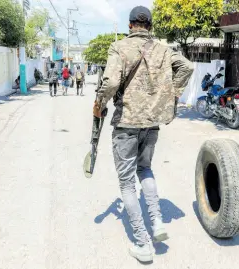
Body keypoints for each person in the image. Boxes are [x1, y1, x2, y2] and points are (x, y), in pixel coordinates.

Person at [93, 6, 194, 263]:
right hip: (151, 123)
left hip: (127, 123)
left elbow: (112, 82)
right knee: (145, 170)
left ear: (130, 26)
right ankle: (157, 223)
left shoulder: (119, 47)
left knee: (127, 182)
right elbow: (187, 67)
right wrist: (171, 94)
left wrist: (100, 102)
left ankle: (143, 242)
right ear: (150, 25)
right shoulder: (163, 49)